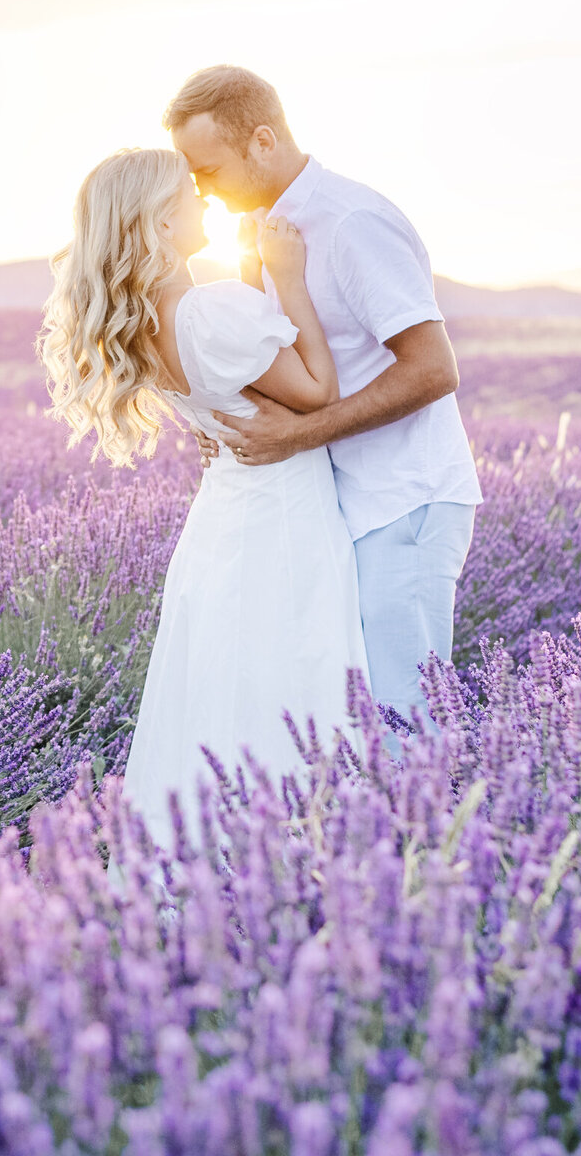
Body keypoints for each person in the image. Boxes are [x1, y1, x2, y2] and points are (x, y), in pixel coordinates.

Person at [38, 148, 370, 840]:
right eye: (190, 195)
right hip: (282, 516)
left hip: (224, 518)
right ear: (161, 224)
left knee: (222, 689)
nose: (206, 203)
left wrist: (252, 276)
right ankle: (288, 855)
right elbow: (317, 392)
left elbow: (231, 386)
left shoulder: (147, 324)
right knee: (289, 678)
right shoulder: (210, 309)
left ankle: (210, 868)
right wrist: (287, 278)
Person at [165, 64, 482, 729]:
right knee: (353, 726)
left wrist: (297, 436)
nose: (202, 192)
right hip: (342, 509)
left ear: (260, 141)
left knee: (406, 721)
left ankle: (435, 837)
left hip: (404, 499)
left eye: (209, 171)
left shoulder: (351, 221)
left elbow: (433, 370)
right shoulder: (268, 233)